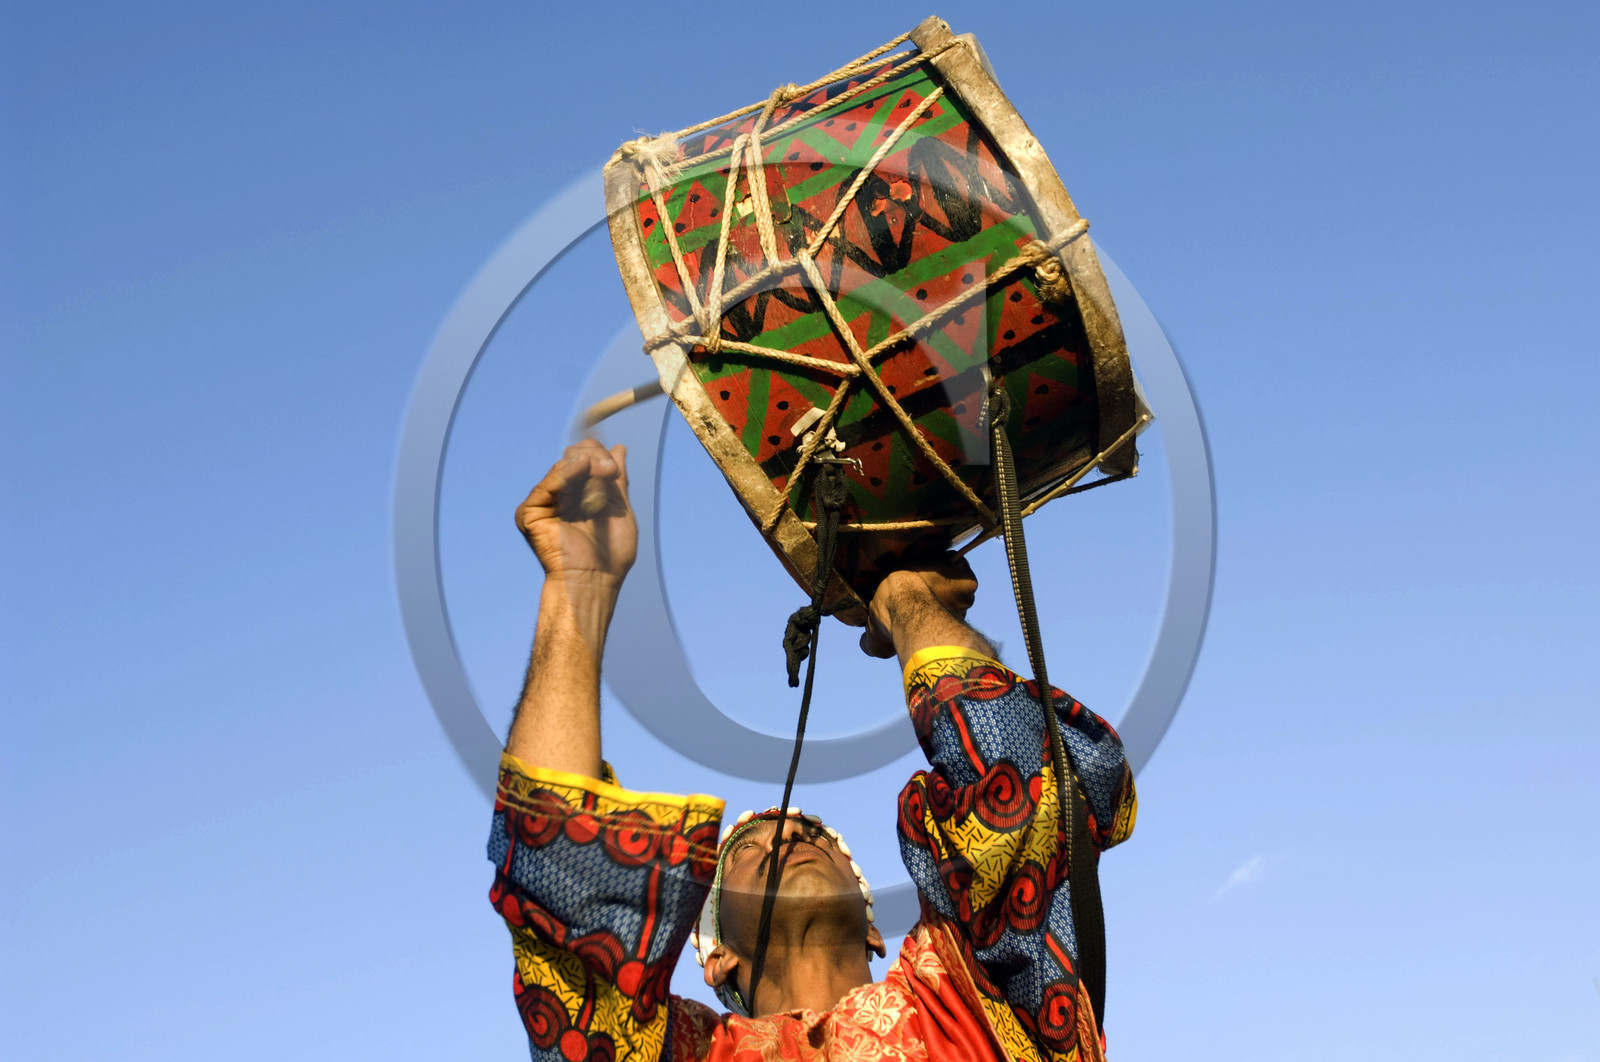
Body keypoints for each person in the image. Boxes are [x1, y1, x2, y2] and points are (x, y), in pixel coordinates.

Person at [487, 440, 1137, 1062]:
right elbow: (560, 880)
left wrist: (906, 602)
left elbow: (1017, 787)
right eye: (745, 851)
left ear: (875, 928)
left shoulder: (984, 1001)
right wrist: (578, 587)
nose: (789, 838)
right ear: (717, 957)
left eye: (816, 837)